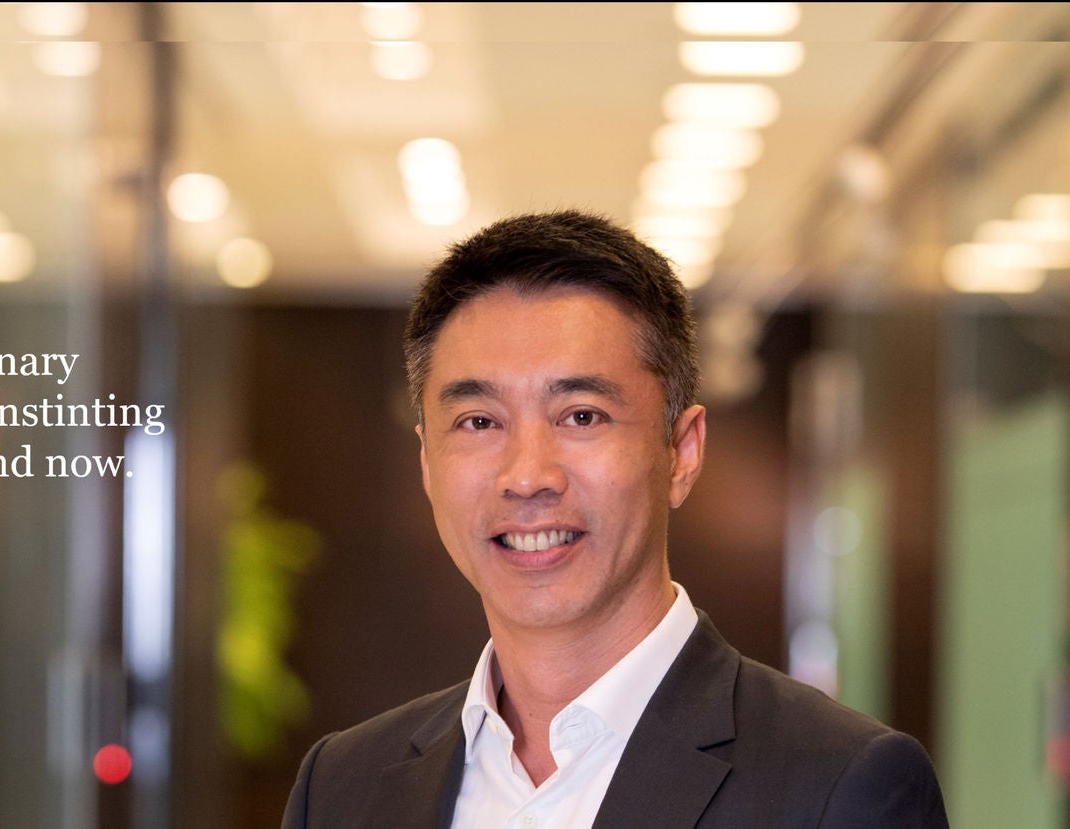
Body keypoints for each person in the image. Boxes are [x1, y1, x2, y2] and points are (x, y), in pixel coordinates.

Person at [281, 211, 947, 828]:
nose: (527, 476)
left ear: (681, 452)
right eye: (479, 421)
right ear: (427, 462)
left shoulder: (841, 785)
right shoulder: (341, 787)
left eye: (581, 416)